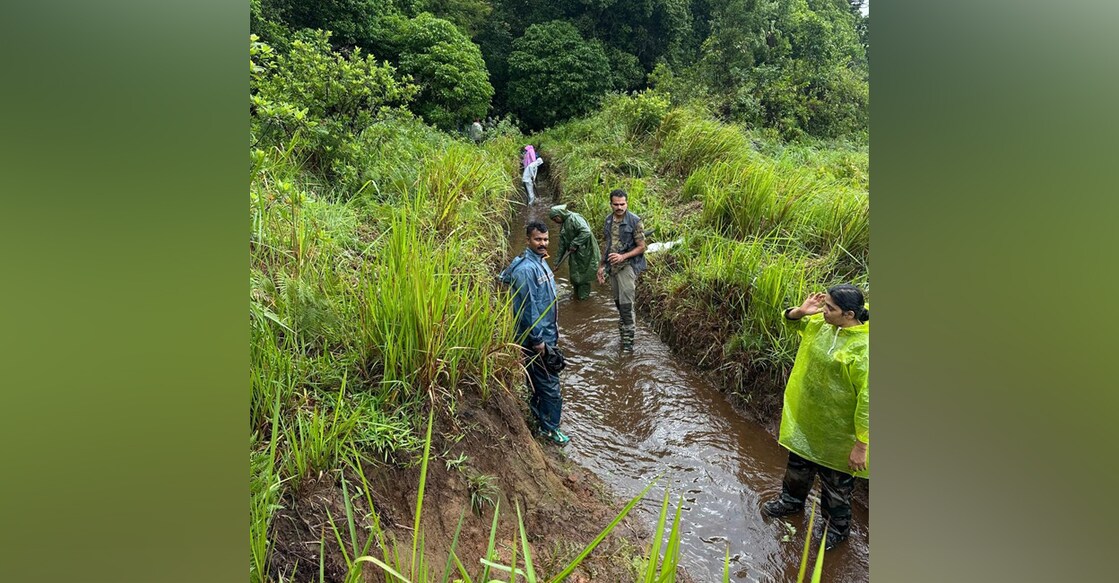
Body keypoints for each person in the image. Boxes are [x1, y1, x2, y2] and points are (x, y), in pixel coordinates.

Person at [761, 284, 869, 552]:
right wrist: (800, 311)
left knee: (836, 486)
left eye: (830, 308)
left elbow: (869, 402)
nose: (824, 311)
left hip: (840, 435)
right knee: (798, 468)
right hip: (809, 422)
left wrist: (861, 445)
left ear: (849, 314)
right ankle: (791, 502)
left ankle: (836, 529)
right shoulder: (822, 326)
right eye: (824, 305)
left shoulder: (865, 349)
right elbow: (791, 323)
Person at [499, 221, 569, 445]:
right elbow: (527, 308)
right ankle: (549, 430)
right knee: (550, 386)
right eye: (538, 239)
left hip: (547, 334)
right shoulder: (526, 269)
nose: (543, 243)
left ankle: (539, 418)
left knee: (540, 382)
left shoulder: (540, 261)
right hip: (536, 339)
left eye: (546, 239)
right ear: (528, 239)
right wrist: (538, 340)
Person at [595, 189, 646, 350]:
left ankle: (628, 346)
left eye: (622, 204)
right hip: (613, 267)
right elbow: (607, 245)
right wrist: (601, 266)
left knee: (626, 306)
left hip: (628, 266)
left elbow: (642, 247)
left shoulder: (634, 221)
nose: (619, 207)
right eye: (616, 204)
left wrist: (623, 257)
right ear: (611, 204)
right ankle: (623, 335)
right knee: (618, 304)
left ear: (627, 203)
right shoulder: (608, 221)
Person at [548, 204, 600, 301]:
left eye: (555, 219)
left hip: (586, 253)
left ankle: (583, 302)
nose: (555, 222)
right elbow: (562, 246)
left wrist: (575, 243)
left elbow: (586, 231)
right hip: (575, 254)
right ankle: (577, 298)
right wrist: (556, 262)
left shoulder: (575, 218)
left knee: (583, 277)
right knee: (575, 277)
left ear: (559, 215)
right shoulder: (564, 224)